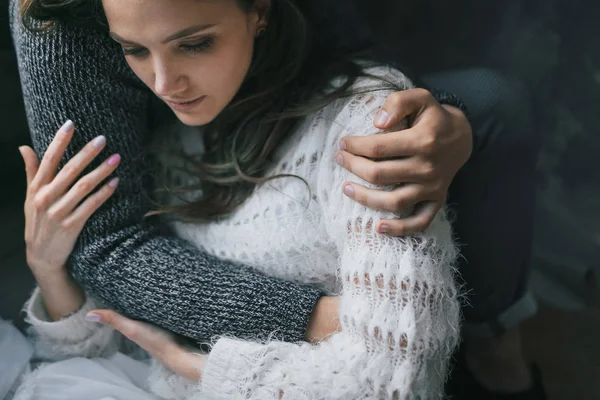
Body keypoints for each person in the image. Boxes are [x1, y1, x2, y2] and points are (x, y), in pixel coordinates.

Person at [10, 0, 544, 399]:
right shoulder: (165, 148)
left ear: (260, 11)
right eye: (131, 50)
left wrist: (206, 367)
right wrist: (51, 271)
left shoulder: (357, 135)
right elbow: (105, 320)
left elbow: (393, 380)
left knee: (492, 104)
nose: (163, 83)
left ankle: (498, 351)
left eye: (195, 43)